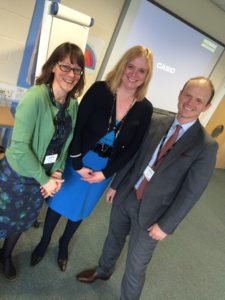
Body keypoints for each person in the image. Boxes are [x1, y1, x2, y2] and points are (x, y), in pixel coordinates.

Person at [76, 76, 218, 300]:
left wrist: (166, 225)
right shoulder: (156, 122)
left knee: (136, 266)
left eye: (199, 100)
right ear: (180, 94)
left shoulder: (206, 145)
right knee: (113, 238)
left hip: (155, 214)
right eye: (187, 95)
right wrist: (115, 185)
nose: (190, 102)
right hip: (126, 195)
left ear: (207, 106)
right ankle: (103, 271)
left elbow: (191, 193)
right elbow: (133, 157)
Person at [31, 45, 154, 272]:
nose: (134, 74)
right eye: (131, 67)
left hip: (102, 171)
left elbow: (132, 148)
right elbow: (77, 127)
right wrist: (77, 164)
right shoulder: (100, 90)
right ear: (122, 66)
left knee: (81, 209)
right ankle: (44, 241)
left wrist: (106, 174)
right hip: (78, 160)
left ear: (147, 76)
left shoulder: (145, 108)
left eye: (141, 71)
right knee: (58, 205)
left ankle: (64, 244)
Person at [0, 42, 85, 280]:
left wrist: (57, 172)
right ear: (54, 67)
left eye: (77, 70)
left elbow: (65, 143)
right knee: (2, 217)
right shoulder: (35, 97)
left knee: (22, 220)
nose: (71, 74)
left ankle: (6, 255)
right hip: (18, 176)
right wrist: (45, 179)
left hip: (43, 179)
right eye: (66, 67)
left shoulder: (72, 105)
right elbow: (18, 148)